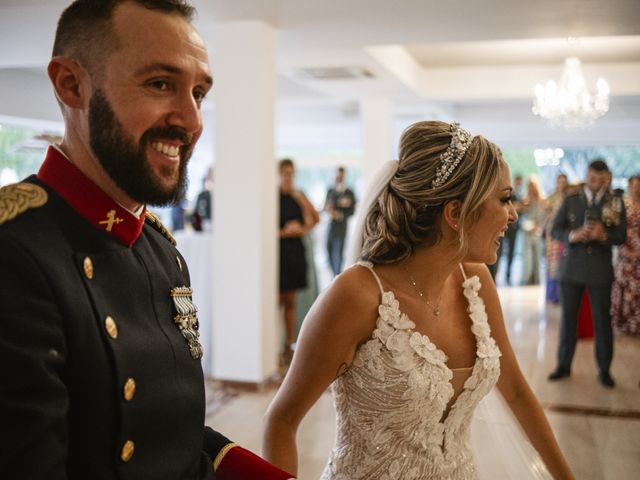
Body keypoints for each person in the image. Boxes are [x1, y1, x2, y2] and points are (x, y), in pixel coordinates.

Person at [0, 1, 294, 479]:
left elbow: (171, 430)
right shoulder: (16, 251)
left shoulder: (161, 252)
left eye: (198, 92)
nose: (192, 120)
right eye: (160, 84)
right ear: (71, 84)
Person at [263, 121, 573, 479]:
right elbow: (281, 421)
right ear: (455, 213)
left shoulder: (476, 283)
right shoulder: (356, 296)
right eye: (503, 199)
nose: (514, 213)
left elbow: (516, 392)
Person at [548, 159, 626, 388]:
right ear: (587, 175)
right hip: (571, 268)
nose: (596, 184)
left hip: (600, 270)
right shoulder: (572, 199)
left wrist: (603, 235)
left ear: (607, 178)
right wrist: (573, 235)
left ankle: (604, 370)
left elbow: (621, 235)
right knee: (568, 320)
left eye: (601, 180)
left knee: (603, 321)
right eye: (592, 179)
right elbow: (555, 229)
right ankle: (563, 365)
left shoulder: (615, 201)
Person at [279, 158, 319, 364]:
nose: (288, 177)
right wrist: (284, 233)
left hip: (295, 252)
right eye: (285, 173)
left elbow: (314, 219)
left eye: (291, 173)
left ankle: (289, 345)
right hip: (277, 253)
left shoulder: (298, 195)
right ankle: (273, 346)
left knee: (291, 302)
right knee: (277, 301)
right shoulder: (272, 197)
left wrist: (301, 229)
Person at [611, 175, 640, 334]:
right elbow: (615, 228)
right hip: (625, 250)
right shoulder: (623, 205)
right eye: (632, 185)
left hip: (639, 252)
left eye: (638, 185)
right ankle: (623, 322)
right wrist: (623, 248)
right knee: (624, 285)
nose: (635, 188)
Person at [489, 174, 523, 283]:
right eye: (504, 201)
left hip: (513, 229)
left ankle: (507, 275)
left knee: (510, 252)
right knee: (499, 250)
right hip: (505, 229)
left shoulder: (519, 195)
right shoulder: (512, 194)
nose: (514, 216)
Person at [324, 166, 356, 276]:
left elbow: (352, 211)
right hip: (331, 226)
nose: (339, 177)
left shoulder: (349, 193)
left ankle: (336, 277)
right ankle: (333, 275)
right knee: (329, 251)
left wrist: (340, 215)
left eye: (341, 176)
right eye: (338, 175)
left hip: (342, 227)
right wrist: (329, 211)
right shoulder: (330, 191)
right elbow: (326, 206)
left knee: (338, 253)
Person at [542, 173, 569, 303]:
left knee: (561, 262)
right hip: (552, 236)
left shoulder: (568, 198)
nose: (562, 184)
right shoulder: (551, 199)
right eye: (560, 181)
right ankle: (551, 294)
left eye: (564, 182)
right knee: (552, 264)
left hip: (563, 235)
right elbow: (544, 216)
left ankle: (561, 294)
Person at [520, 176, 544, 285]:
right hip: (527, 231)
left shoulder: (541, 199)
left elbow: (543, 216)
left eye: (532, 185)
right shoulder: (525, 200)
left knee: (537, 257)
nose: (531, 188)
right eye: (529, 185)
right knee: (527, 257)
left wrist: (538, 225)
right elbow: (523, 216)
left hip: (537, 231)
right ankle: (527, 279)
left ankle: (536, 279)